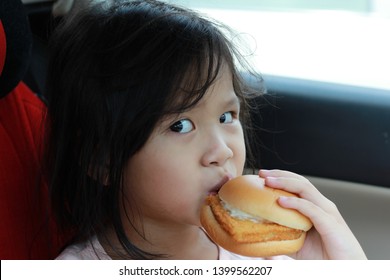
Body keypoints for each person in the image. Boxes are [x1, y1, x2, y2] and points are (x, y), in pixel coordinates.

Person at [44, 0, 366, 260]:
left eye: (227, 117)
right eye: (180, 125)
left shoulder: (262, 252)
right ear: (103, 161)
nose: (222, 151)